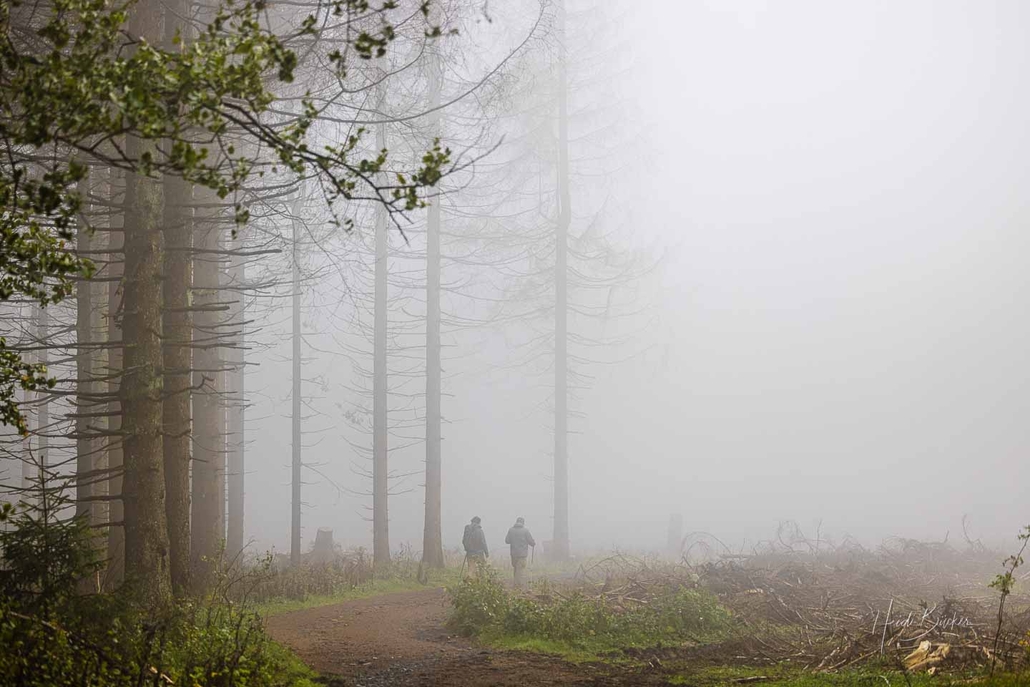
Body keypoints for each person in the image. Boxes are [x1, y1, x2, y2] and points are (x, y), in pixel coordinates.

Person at [504, 516, 535, 589]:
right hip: (522, 554)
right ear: (523, 523)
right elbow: (531, 542)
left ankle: (516, 584)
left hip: (513, 554)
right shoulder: (525, 531)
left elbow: (507, 541)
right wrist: (533, 543)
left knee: (516, 569)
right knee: (520, 570)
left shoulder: (511, 530)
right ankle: (518, 586)